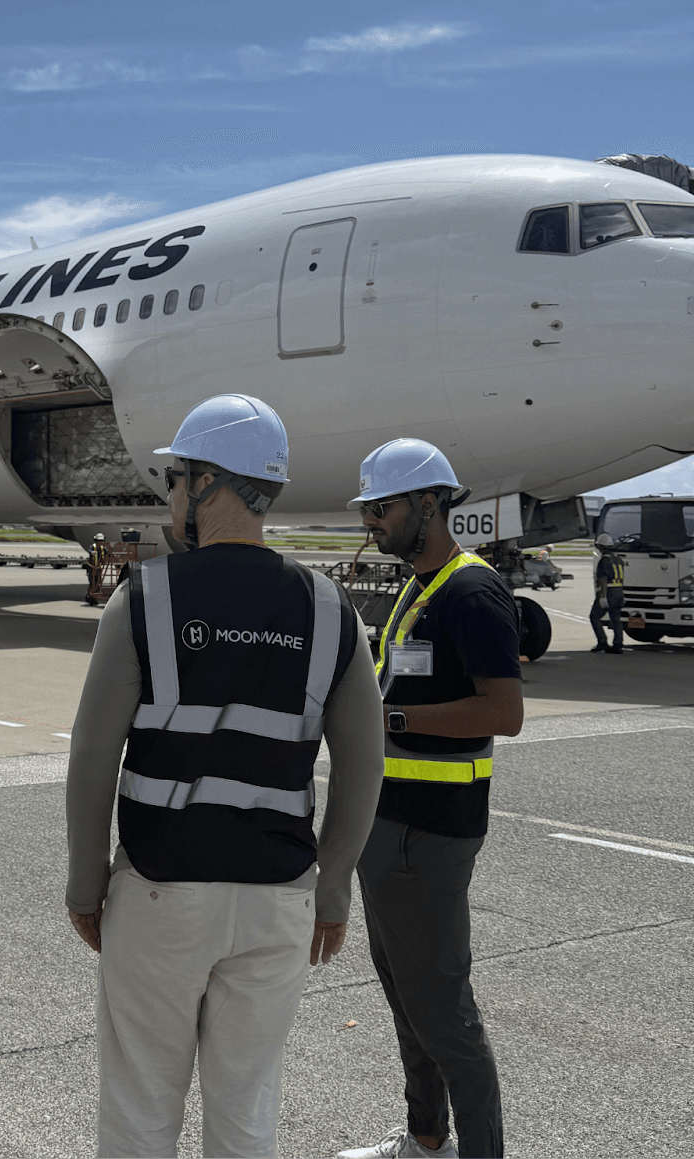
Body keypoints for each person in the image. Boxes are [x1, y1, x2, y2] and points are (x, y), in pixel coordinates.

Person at [64, 394, 385, 1159]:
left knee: (140, 1114)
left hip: (161, 892)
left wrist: (85, 882)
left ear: (208, 482)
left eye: (175, 479)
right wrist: (333, 889)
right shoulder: (332, 609)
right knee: (246, 1118)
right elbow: (364, 766)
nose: (171, 498)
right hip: (279, 900)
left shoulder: (144, 597)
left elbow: (93, 756)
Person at [341, 438, 523, 1159]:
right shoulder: (421, 586)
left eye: (382, 507)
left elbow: (503, 712)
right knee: (408, 999)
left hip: (431, 835)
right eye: (367, 509)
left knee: (443, 1011)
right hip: (391, 826)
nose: (371, 521)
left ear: (428, 504)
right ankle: (426, 1139)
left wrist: (387, 719)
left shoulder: (471, 592)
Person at [589, 532, 625, 654]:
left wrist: (603, 596)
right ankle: (618, 644)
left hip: (609, 591)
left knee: (594, 616)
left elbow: (603, 580)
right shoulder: (618, 560)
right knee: (616, 619)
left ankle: (602, 641)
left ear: (601, 547)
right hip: (619, 591)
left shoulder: (604, 561)